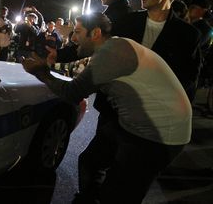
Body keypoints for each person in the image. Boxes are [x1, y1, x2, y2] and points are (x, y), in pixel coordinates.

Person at [22, 13, 191, 204]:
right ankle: (88, 198)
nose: (73, 38)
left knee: (118, 195)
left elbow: (73, 93)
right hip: (136, 124)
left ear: (95, 33)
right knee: (90, 161)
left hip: (157, 137)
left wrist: (40, 72)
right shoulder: (115, 44)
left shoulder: (109, 55)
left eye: (77, 32)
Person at [113, 0, 201, 102]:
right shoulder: (126, 22)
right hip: (114, 111)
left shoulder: (188, 35)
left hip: (155, 114)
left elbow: (187, 80)